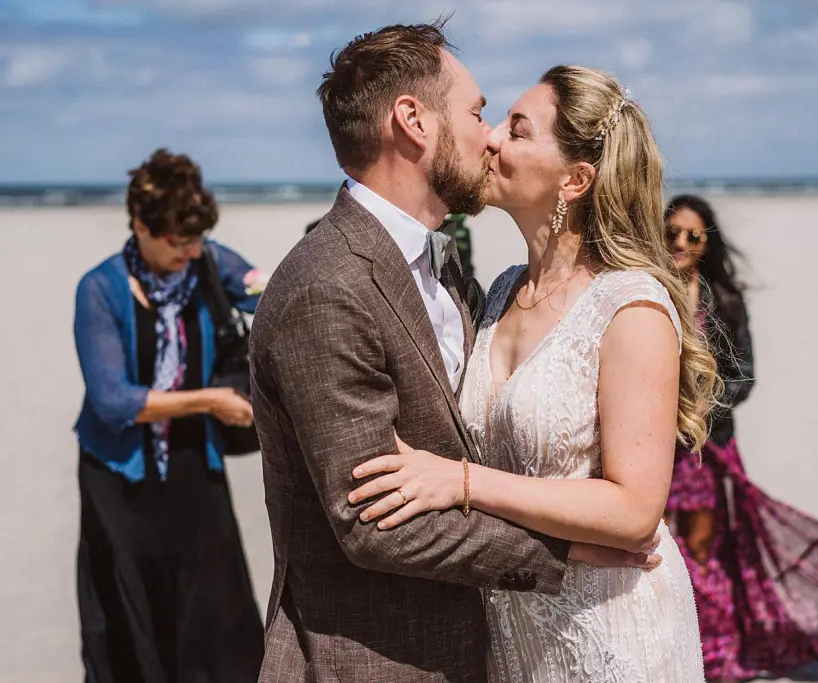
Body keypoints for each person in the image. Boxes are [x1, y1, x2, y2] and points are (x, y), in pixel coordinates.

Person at [249, 23, 659, 683]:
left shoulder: (452, 274)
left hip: (493, 646)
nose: (488, 134)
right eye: (474, 112)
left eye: (504, 123)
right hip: (365, 660)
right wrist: (566, 550)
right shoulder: (327, 285)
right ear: (412, 120)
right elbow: (372, 524)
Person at [348, 66, 713, 681]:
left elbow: (635, 510)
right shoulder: (497, 294)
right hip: (514, 628)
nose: (490, 138)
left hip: (612, 632)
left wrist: (464, 483)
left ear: (575, 179)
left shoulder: (631, 306)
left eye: (517, 130)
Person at [664, 195, 818, 681]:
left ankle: (713, 649)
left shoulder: (721, 298)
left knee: (702, 548)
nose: (680, 242)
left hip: (706, 446)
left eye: (692, 235)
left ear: (707, 244)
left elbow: (744, 374)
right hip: (655, 444)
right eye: (672, 232)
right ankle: (670, 642)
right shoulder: (647, 287)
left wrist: (707, 403)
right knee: (660, 547)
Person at [73, 148, 264, 683]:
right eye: (178, 242)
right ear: (140, 226)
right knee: (130, 612)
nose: (191, 251)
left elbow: (264, 289)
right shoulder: (99, 289)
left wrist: (282, 284)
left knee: (217, 612)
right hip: (119, 477)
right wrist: (209, 400)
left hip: (191, 464)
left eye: (197, 238)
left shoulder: (206, 259)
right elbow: (113, 401)